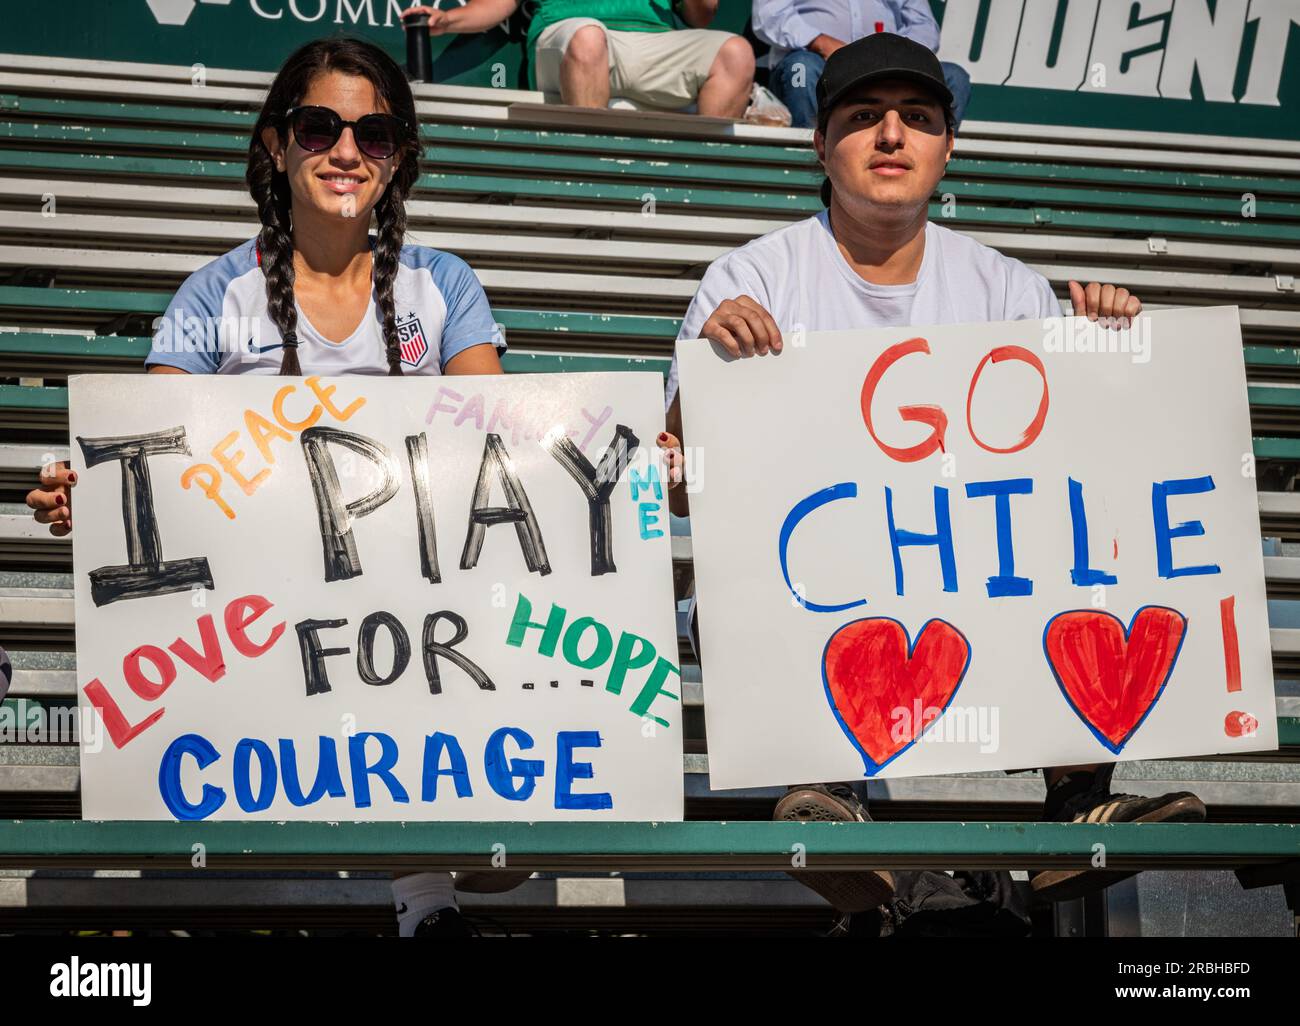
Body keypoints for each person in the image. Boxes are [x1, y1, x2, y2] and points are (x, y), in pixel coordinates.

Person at [25, 36, 680, 938]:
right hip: (260, 614)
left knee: (423, 609)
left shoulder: (442, 287)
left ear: (400, 155)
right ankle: (423, 901)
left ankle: (431, 897)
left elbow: (503, 454)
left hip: (408, 616)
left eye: (374, 134)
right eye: (318, 126)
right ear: (275, 144)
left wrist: (631, 463)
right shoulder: (215, 295)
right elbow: (153, 461)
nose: (345, 151)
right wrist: (95, 502)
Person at [663, 33, 1207, 913]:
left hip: (962, 594)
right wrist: (708, 380)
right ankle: (827, 795)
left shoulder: (1006, 290)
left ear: (947, 147)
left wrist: (1109, 354)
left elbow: (1075, 470)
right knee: (785, 569)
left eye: (916, 119)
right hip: (817, 588)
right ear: (820, 143)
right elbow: (678, 484)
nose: (890, 136)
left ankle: (1076, 803)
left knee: (1068, 541)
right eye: (863, 118)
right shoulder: (752, 277)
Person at [402, 0, 754, 117]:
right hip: (568, 39)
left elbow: (703, 14)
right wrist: (449, 20)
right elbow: (499, 3)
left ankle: (699, 179)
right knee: (589, 38)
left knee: (735, 53)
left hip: (652, 41)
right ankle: (591, 174)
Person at [754, 0, 972, 130]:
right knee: (800, 68)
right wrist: (821, 43)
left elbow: (924, 27)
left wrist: (892, 53)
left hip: (885, 68)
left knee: (955, 78)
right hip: (816, 63)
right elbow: (768, 14)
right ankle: (811, 163)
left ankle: (929, 168)